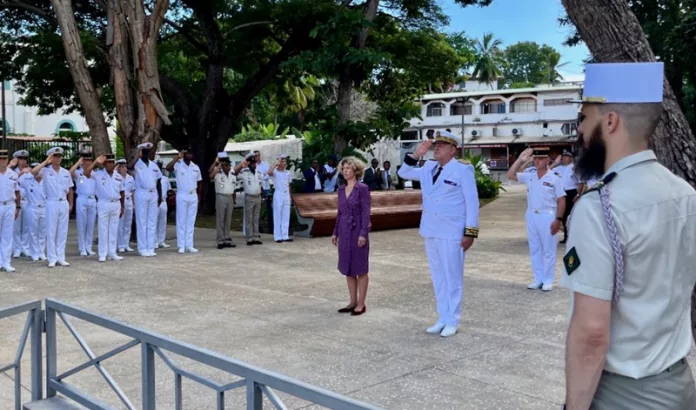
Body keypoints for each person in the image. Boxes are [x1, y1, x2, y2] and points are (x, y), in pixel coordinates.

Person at [560, 62, 696, 409]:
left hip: (624, 395)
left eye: (584, 119)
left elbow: (591, 332)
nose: (579, 131)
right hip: (679, 383)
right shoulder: (685, 194)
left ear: (610, 122)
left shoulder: (599, 207)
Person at [397, 130, 480, 337]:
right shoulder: (428, 168)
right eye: (436, 145)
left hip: (452, 231)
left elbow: (472, 202)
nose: (437, 148)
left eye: (442, 146)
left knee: (453, 277)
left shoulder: (462, 170)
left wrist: (470, 233)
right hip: (431, 230)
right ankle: (442, 317)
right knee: (438, 277)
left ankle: (453, 320)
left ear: (453, 150)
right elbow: (403, 173)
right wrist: (416, 155)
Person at [507, 147, 566, 291]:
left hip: (548, 215)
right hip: (532, 214)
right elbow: (510, 175)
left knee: (548, 250)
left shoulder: (554, 178)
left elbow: (561, 200)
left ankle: (548, 280)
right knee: (535, 249)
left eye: (540, 159)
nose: (537, 161)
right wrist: (520, 160)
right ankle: (538, 278)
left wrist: (558, 219)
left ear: (547, 160)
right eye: (535, 159)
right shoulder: (530, 175)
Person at [332, 157, 371, 316]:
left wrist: (363, 233)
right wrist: (335, 231)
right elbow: (340, 213)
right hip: (344, 230)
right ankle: (352, 301)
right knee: (348, 268)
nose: (345, 170)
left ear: (356, 170)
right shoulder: (341, 190)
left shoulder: (362, 188)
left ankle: (361, 303)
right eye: (344, 168)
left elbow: (365, 212)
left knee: (360, 268)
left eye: (349, 168)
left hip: (357, 231)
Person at [31, 147, 74, 268]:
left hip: (63, 202)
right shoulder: (45, 170)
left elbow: (70, 189)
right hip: (51, 202)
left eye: (59, 156)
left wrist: (70, 204)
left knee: (62, 230)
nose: (58, 158)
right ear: (50, 157)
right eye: (55, 156)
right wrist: (46, 162)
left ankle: (61, 257)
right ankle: (52, 257)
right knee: (51, 231)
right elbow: (33, 172)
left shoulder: (65, 172)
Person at [84, 154, 124, 262]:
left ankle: (112, 252)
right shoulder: (98, 174)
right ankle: (102, 253)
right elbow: (86, 173)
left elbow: (122, 191)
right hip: (103, 203)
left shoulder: (118, 176)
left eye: (112, 162)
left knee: (114, 229)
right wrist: (95, 162)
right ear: (105, 164)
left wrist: (122, 207)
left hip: (116, 203)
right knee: (103, 229)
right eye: (108, 163)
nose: (110, 165)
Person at [166, 148, 202, 253]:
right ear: (184, 154)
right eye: (187, 153)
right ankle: (181, 245)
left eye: (191, 153)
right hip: (182, 194)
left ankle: (189, 245)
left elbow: (199, 183)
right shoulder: (178, 164)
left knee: (191, 221)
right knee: (181, 220)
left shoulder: (195, 167)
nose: (189, 155)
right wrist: (177, 157)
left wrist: (198, 197)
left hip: (193, 195)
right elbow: (168, 168)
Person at [133, 142, 162, 257]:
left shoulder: (154, 165)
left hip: (153, 193)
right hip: (141, 193)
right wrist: (137, 155)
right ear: (141, 152)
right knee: (142, 221)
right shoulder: (137, 164)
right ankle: (142, 248)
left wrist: (159, 195)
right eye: (144, 152)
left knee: (151, 221)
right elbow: (129, 166)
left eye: (148, 152)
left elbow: (159, 181)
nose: (146, 154)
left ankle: (150, 247)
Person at [70, 152, 98, 257]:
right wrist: (78, 163)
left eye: (90, 160)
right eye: (86, 160)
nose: (88, 162)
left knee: (91, 225)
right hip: (82, 198)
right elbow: (69, 173)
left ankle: (88, 247)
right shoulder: (78, 173)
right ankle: (82, 248)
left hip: (92, 199)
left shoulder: (95, 173)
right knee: (82, 225)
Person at [209, 153, 236, 249]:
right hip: (221, 197)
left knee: (228, 219)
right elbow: (211, 175)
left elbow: (233, 187)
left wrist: (234, 198)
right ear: (222, 165)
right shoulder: (218, 173)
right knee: (221, 219)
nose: (228, 166)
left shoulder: (232, 173)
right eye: (226, 164)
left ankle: (227, 238)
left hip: (230, 197)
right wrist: (217, 165)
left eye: (229, 164)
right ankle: (220, 240)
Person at [550, 151, 580, 243]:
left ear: (571, 158)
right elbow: (547, 171)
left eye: (567, 156)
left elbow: (580, 183)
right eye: (564, 156)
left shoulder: (575, 168)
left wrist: (578, 194)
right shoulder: (559, 168)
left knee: (570, 215)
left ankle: (572, 237)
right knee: (562, 215)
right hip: (561, 193)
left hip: (572, 192)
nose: (564, 158)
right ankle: (566, 237)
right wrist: (555, 163)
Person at [235, 153, 263, 245]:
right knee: (249, 218)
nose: (254, 165)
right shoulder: (244, 173)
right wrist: (242, 166)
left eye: (254, 163)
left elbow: (261, 185)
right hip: (249, 197)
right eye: (252, 163)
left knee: (256, 218)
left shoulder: (258, 173)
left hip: (258, 197)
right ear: (249, 164)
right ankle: (249, 238)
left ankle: (256, 237)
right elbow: (234, 174)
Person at [0, 150, 21, 272]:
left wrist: (18, 207)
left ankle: (6, 262)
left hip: (9, 205)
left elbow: (17, 192)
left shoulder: (13, 174)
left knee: (7, 235)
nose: (2, 161)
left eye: (4, 158)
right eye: (0, 158)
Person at [21, 163, 46, 261]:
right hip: (32, 207)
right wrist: (23, 172)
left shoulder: (46, 180)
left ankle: (41, 251)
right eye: (36, 169)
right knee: (32, 231)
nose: (38, 171)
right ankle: (34, 252)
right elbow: (15, 181)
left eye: (39, 169)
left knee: (43, 232)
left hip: (44, 208)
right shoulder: (27, 180)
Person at [268, 154, 292, 243]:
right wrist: (275, 164)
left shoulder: (288, 173)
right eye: (282, 161)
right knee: (277, 215)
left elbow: (289, 185)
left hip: (286, 194)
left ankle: (285, 235)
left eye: (285, 161)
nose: (284, 162)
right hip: (278, 193)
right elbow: (269, 173)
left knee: (286, 215)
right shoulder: (275, 172)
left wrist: (290, 196)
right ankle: (278, 236)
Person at [10, 150, 30, 258]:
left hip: (27, 201)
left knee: (26, 226)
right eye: (20, 159)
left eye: (25, 158)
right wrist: (21, 173)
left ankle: (25, 247)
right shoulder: (13, 172)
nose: (23, 161)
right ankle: (16, 248)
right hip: (16, 201)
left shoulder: (30, 171)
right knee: (16, 227)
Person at [116, 159, 135, 253]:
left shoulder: (130, 178)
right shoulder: (117, 177)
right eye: (122, 166)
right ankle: (120, 245)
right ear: (119, 168)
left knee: (128, 224)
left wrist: (134, 203)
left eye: (125, 166)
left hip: (129, 201)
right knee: (121, 225)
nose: (124, 168)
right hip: (120, 202)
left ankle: (126, 244)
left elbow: (132, 191)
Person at [155, 161, 171, 249]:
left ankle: (161, 241)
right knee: (154, 222)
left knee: (163, 222)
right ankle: (155, 241)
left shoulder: (165, 178)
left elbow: (168, 190)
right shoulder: (153, 178)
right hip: (155, 201)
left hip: (163, 201)